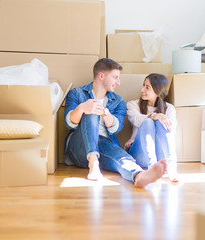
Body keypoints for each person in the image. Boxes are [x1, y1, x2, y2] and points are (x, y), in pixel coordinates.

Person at [63, 58, 167, 187]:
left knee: (121, 157)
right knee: (91, 110)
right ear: (101, 76)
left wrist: (106, 113)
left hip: (104, 144)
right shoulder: (76, 93)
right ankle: (93, 162)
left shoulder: (118, 101)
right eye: (115, 77)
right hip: (79, 147)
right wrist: (82, 108)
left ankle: (139, 175)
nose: (118, 82)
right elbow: (69, 124)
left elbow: (115, 129)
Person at [124, 73, 179, 182]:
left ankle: (172, 166)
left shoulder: (169, 108)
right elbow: (137, 119)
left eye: (147, 87)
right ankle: (152, 168)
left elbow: (171, 130)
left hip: (161, 155)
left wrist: (160, 117)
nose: (142, 89)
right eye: (143, 85)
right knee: (148, 122)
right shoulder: (133, 105)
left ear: (158, 91)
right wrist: (155, 116)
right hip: (140, 154)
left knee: (162, 122)